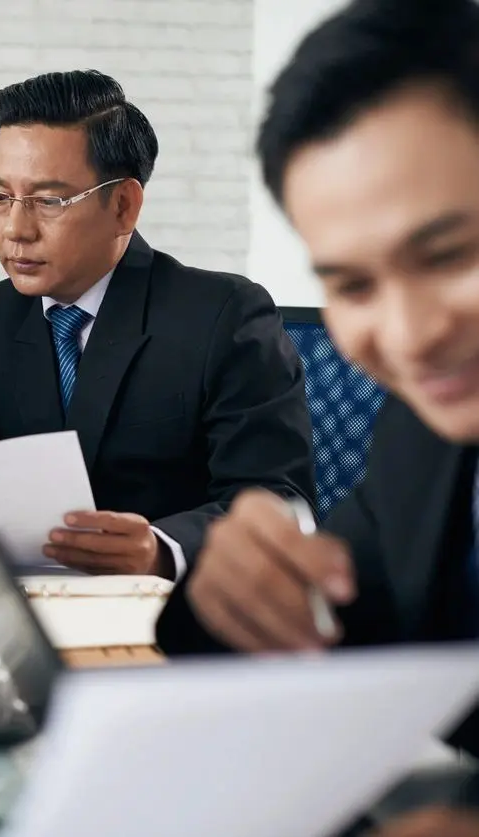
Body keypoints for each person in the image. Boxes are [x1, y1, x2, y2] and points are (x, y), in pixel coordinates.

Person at [153, 0, 479, 832]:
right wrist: (235, 585)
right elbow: (338, 637)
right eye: (354, 285)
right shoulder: (424, 432)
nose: (407, 338)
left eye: (449, 255)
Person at [0, 70, 315, 579]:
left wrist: (161, 547)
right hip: (24, 599)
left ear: (123, 205)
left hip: (169, 610)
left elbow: (280, 500)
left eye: (48, 200)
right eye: (0, 197)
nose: (16, 229)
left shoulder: (223, 315)